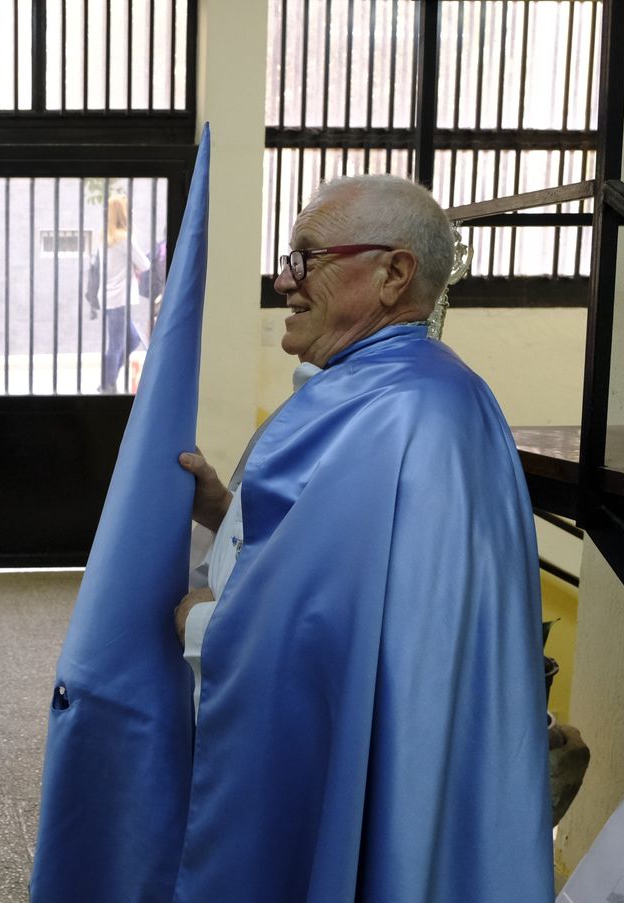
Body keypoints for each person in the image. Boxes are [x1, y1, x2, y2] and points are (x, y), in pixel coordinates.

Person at [170, 174, 552, 901]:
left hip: (391, 755)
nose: (285, 281)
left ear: (392, 273)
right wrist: (226, 517)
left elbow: (328, 633)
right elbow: (341, 561)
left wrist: (205, 628)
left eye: (305, 257)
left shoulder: (401, 413)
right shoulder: (402, 390)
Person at [97, 195, 150, 394]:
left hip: (112, 298)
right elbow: (145, 263)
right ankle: (107, 385)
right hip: (119, 298)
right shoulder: (123, 238)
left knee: (131, 339)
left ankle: (107, 378)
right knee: (118, 343)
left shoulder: (107, 237)